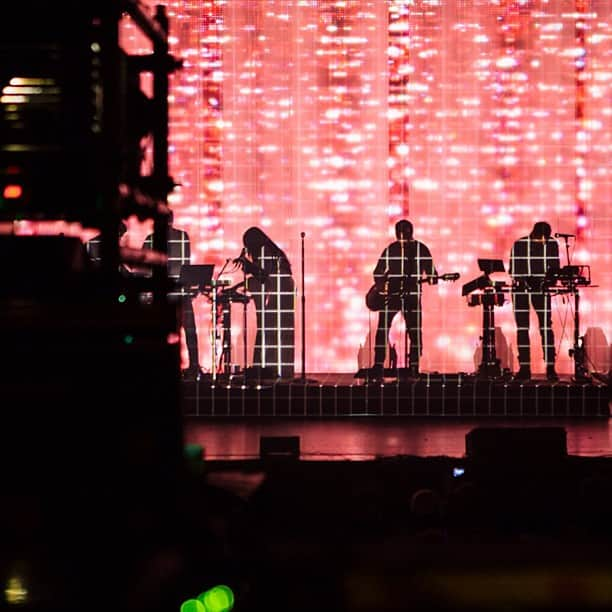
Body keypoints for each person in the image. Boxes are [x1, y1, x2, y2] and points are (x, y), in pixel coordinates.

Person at [371, 219, 437, 378]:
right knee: (414, 332)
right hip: (408, 296)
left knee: (384, 329)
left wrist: (384, 285)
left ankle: (379, 364)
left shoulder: (392, 248)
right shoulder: (421, 249)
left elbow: (377, 273)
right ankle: (413, 366)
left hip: (394, 296)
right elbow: (433, 275)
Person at [143, 211, 202, 379]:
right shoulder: (182, 236)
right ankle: (194, 367)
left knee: (162, 331)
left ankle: (160, 368)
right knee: (190, 331)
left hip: (162, 293)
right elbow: (186, 264)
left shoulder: (151, 239)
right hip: (180, 291)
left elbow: (145, 267)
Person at [236, 227, 294, 378]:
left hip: (276, 294)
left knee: (270, 330)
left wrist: (248, 266)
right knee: (277, 331)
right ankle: (274, 368)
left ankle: (268, 369)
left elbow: (263, 276)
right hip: (280, 292)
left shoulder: (264, 251)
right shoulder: (272, 252)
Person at [509, 221, 560, 381]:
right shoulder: (520, 244)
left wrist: (547, 281)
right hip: (521, 291)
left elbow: (555, 268)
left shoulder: (552, 244)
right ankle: (525, 368)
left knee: (546, 327)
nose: (543, 241)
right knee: (522, 328)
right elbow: (513, 270)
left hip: (541, 289)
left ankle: (550, 367)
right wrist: (525, 280)